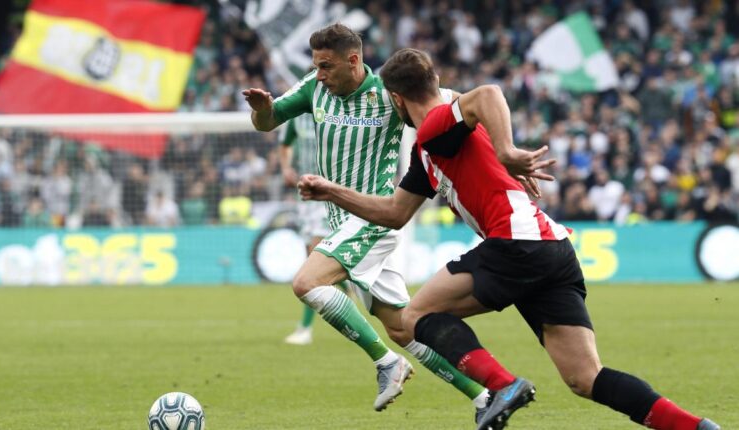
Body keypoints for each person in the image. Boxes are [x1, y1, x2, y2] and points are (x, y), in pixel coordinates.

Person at [298, 48, 721, 430]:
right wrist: (332, 190)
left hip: (517, 243)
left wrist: (505, 150)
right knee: (584, 378)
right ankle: (697, 428)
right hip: (551, 249)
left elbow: (487, 94)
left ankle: (503, 386)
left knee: (416, 317)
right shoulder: (429, 148)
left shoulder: (437, 124)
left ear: (395, 98)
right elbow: (393, 213)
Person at [242, 23, 544, 417]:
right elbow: (267, 122)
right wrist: (263, 111)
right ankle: (485, 395)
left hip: (373, 216)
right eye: (316, 66)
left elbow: (470, 107)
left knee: (307, 281)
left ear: (354, 60)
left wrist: (507, 155)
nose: (319, 74)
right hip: (340, 221)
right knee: (403, 327)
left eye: (326, 66)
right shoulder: (313, 88)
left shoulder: (390, 94)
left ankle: (386, 363)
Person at [277, 113, 347, 345]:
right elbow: (285, 144)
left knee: (313, 260)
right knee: (317, 258)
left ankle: (304, 329)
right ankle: (348, 284)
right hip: (305, 196)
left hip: (329, 193)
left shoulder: (336, 111)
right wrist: (286, 167)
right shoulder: (296, 117)